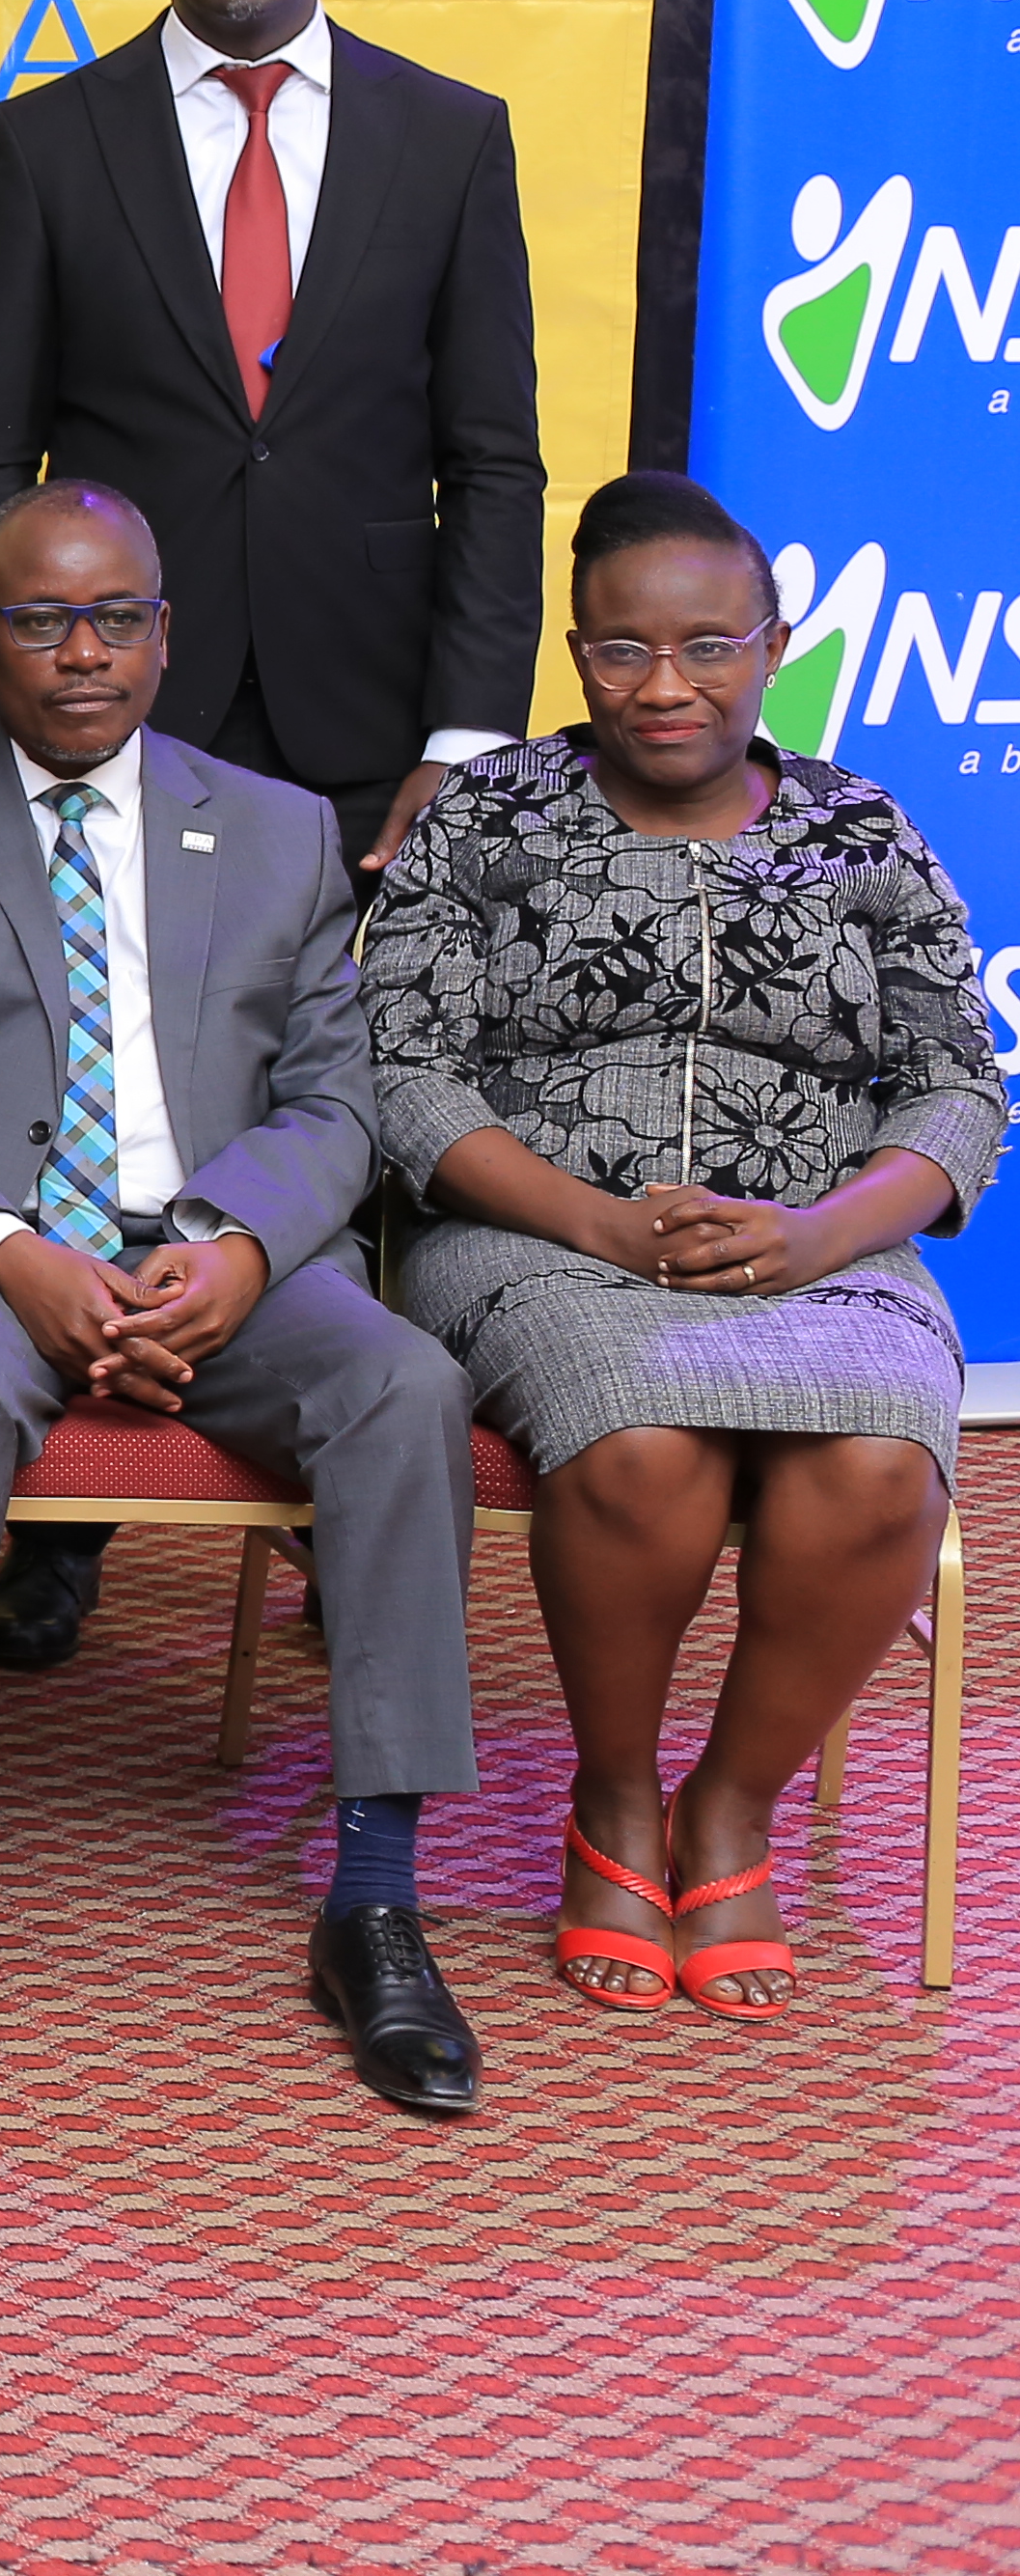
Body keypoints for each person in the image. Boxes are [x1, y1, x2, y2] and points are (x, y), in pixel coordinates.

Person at [0, 0, 543, 1673]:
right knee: (100, 1081)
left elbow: (494, 462)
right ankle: (76, 1520)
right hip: (105, 717)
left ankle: (353, 1511)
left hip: (368, 723)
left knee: (333, 1103)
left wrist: (461, 734)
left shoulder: (452, 138)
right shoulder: (49, 140)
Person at [0, 481, 484, 2116]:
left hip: (208, 1252)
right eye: (37, 618)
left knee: (401, 1387)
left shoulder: (276, 824)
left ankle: (375, 1897)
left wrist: (238, 1246)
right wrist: (8, 1245)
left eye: (114, 616)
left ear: (165, 633)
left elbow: (337, 1100)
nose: (79, 652)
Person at [367, 472, 994, 2022]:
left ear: (774, 643)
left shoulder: (862, 827)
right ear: (575, 654)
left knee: (876, 1462)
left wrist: (819, 1236)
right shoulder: (491, 820)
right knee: (643, 1446)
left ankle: (732, 1806)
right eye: (625, 650)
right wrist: (592, 1219)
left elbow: (958, 1083)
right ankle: (619, 1801)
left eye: (709, 647)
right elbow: (399, 1069)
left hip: (818, 1237)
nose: (667, 685)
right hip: (542, 1231)